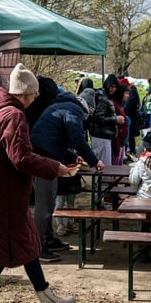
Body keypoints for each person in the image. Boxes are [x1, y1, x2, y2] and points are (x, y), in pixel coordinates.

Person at [0, 63, 76, 303]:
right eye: (34, 93)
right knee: (3, 249)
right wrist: (55, 167)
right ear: (24, 92)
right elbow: (21, 158)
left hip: (2, 192)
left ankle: (47, 300)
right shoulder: (14, 116)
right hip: (4, 195)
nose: (36, 98)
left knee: (25, 244)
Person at [30, 89, 103, 262]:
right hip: (43, 158)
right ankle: (38, 248)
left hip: (44, 153)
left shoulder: (64, 106)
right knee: (44, 206)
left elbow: (59, 139)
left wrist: (72, 157)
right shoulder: (74, 110)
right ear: (87, 109)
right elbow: (77, 138)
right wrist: (94, 161)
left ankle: (49, 240)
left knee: (47, 203)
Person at [87, 74, 122, 167]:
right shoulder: (103, 98)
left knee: (102, 165)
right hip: (100, 135)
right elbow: (98, 117)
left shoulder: (105, 96)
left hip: (102, 135)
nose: (112, 89)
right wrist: (115, 119)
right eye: (111, 86)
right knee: (103, 166)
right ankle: (101, 182)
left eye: (114, 87)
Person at [121, 78, 141, 157]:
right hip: (129, 115)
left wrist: (122, 110)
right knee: (129, 136)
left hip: (131, 116)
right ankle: (130, 151)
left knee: (131, 136)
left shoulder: (132, 91)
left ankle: (132, 151)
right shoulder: (131, 91)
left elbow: (128, 104)